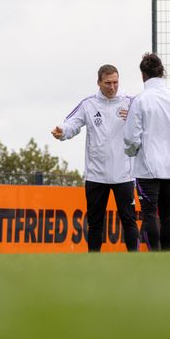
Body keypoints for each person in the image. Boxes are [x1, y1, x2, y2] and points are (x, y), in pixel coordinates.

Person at [52, 64, 139, 252]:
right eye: (108, 83)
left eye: (115, 82)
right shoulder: (88, 104)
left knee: (129, 221)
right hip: (95, 175)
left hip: (124, 174)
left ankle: (136, 261)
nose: (112, 87)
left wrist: (132, 119)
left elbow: (145, 128)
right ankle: (93, 262)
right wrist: (62, 131)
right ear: (98, 82)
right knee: (95, 224)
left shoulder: (131, 103)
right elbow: (71, 124)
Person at [124, 53, 170, 252]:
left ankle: (154, 257)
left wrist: (132, 152)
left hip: (147, 169)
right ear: (162, 73)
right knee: (167, 214)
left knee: (149, 214)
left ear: (143, 75)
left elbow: (131, 139)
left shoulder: (140, 100)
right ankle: (167, 258)